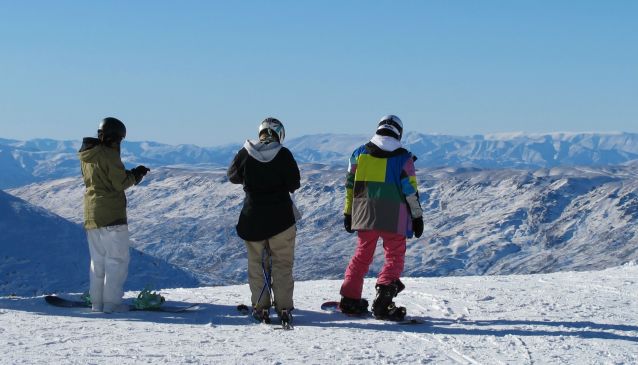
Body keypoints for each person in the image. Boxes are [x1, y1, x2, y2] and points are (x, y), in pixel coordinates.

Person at [339, 115, 424, 321]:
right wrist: (417, 216)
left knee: (362, 255)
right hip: (394, 215)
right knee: (394, 256)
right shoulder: (404, 158)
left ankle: (350, 299)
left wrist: (348, 212)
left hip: (364, 212)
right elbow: (410, 192)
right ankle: (384, 301)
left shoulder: (359, 154)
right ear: (399, 132)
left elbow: (350, 186)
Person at [227, 118, 301, 326]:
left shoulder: (246, 152)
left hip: (253, 218)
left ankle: (260, 306)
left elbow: (232, 176)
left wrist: (251, 179)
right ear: (279, 133)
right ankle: (284, 306)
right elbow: (294, 183)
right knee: (282, 263)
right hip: (282, 218)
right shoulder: (284, 154)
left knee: (256, 264)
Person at [78, 117, 150, 313]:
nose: (119, 143)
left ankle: (97, 303)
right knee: (116, 260)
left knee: (97, 261)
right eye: (119, 139)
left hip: (92, 213)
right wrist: (137, 175)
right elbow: (119, 183)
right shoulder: (109, 155)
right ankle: (112, 304)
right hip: (112, 214)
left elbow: (103, 178)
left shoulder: (87, 155)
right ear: (114, 137)